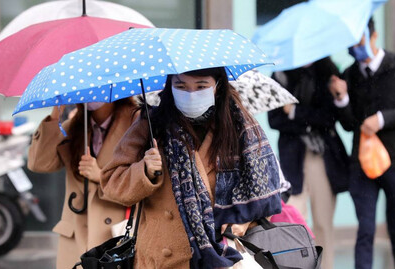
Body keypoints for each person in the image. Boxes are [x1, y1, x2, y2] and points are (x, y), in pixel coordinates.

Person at [100, 67, 282, 269]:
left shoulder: (240, 129)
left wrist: (245, 223)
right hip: (160, 257)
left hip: (223, 256)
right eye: (181, 86)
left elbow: (263, 193)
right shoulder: (151, 124)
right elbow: (112, 182)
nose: (191, 94)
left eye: (201, 86)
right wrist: (145, 170)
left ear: (217, 86)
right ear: (170, 86)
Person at [328, 18, 395, 269]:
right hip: (362, 163)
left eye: (359, 41)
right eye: (350, 45)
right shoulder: (349, 74)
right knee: (365, 228)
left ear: (374, 36)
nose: (356, 49)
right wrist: (341, 99)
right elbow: (350, 124)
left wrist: (383, 119)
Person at [27, 98, 138, 269]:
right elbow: (39, 163)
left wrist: (100, 176)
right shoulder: (74, 126)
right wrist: (55, 115)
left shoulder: (136, 123)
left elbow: (144, 183)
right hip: (75, 239)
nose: (91, 94)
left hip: (115, 239)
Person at [268, 57, 350, 269]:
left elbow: (329, 117)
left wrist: (295, 112)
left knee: (323, 223)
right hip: (292, 158)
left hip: (321, 156)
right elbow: (275, 120)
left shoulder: (328, 72)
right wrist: (307, 122)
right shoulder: (281, 75)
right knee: (294, 223)